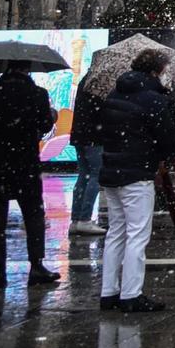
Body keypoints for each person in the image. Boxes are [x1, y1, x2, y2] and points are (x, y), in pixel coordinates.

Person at [98, 47, 175, 311]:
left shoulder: (114, 94)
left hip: (112, 169)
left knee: (116, 233)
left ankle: (108, 291)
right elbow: (168, 139)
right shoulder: (153, 100)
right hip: (138, 172)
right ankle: (131, 294)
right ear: (156, 70)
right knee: (137, 234)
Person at [0, 60, 59, 287]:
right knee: (33, 215)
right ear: (27, 69)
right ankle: (36, 265)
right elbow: (43, 126)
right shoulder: (37, 94)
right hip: (25, 163)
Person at [70, 77, 108, 236]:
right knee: (95, 174)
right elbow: (102, 112)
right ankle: (84, 219)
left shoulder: (86, 81)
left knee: (84, 175)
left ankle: (76, 219)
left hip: (80, 134)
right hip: (95, 135)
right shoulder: (102, 84)